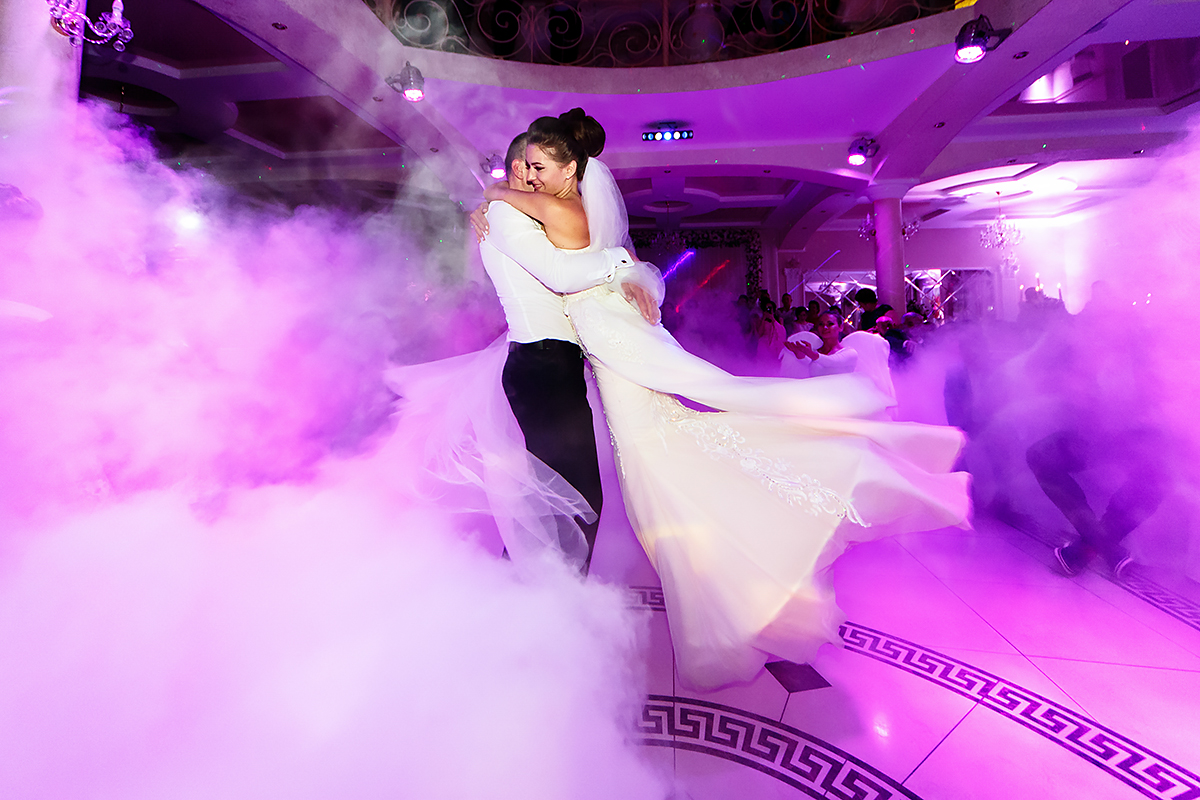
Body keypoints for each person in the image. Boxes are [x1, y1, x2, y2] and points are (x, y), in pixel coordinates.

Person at [478, 108, 970, 690]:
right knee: (655, 493)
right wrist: (627, 273)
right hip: (596, 356)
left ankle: (559, 616)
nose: (526, 176)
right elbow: (603, 268)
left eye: (537, 166)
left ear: (570, 169)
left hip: (614, 355)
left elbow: (570, 275)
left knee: (659, 490)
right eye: (522, 166)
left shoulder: (552, 208)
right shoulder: (557, 207)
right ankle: (726, 600)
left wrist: (500, 197)